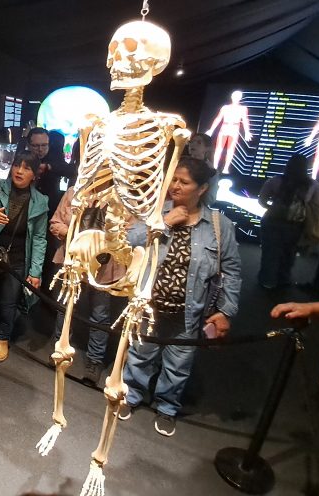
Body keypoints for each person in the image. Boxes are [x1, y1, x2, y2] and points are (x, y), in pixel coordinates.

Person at [119, 157, 242, 437]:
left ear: (201, 189)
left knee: (178, 364)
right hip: (150, 306)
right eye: (173, 179)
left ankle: (167, 407)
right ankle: (132, 395)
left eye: (183, 182)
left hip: (189, 312)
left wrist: (226, 310)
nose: (174, 186)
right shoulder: (156, 212)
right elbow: (127, 240)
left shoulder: (218, 226)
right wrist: (162, 222)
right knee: (140, 355)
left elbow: (232, 272)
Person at [0, 150, 49, 361]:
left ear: (34, 174)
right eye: (16, 165)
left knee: (8, 302)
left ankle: (3, 338)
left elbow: (40, 239)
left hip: (17, 260)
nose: (19, 171)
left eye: (26, 168)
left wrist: (35, 271)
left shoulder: (40, 201)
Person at [49, 187, 123, 386]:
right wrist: (69, 233)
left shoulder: (121, 195)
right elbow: (56, 222)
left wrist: (95, 242)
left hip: (104, 268)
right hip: (72, 261)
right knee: (65, 307)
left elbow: (127, 236)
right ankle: (59, 348)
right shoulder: (75, 191)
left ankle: (94, 361)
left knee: (99, 315)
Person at [257, 154, 319, 289]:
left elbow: (261, 200)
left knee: (270, 252)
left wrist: (272, 207)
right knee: (289, 253)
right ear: (306, 167)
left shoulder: (275, 181)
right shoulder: (312, 185)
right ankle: (283, 279)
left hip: (272, 221)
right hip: (296, 225)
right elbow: (316, 205)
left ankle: (268, 281)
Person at [187, 132, 219, 205]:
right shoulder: (180, 163)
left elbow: (210, 199)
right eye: (191, 142)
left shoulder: (211, 171)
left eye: (199, 142)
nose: (193, 144)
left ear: (207, 148)